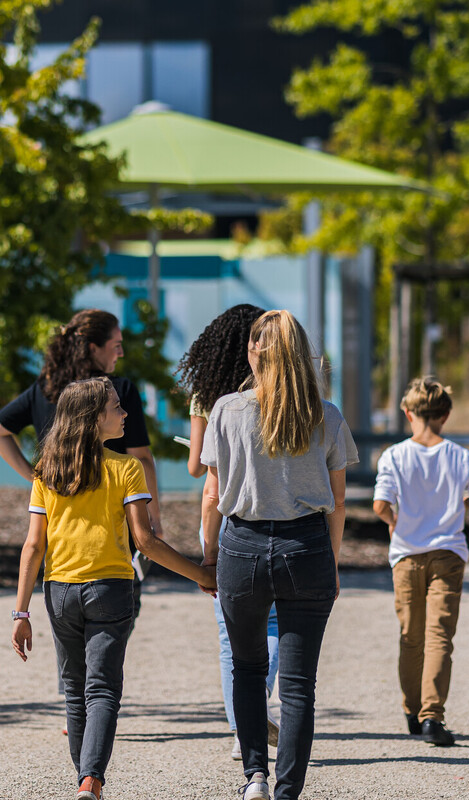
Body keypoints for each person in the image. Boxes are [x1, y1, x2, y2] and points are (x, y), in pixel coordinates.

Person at [11, 378, 217, 800]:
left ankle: (86, 782)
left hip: (59, 592)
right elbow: (146, 542)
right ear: (93, 418)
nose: (124, 414)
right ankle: (91, 779)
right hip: (110, 589)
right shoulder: (126, 468)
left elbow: (33, 545)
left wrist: (21, 613)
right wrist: (200, 574)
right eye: (116, 407)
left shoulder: (47, 470)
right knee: (102, 689)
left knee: (75, 691)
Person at [200, 309, 358, 800]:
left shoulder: (227, 410)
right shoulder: (326, 414)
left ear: (253, 352)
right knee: (298, 684)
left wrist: (209, 556)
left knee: (247, 668)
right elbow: (338, 502)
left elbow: (212, 492)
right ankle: (289, 790)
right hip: (306, 546)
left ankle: (255, 777)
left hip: (242, 546)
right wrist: (331, 563)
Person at [175, 303, 280, 757]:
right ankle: (254, 709)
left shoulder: (207, 393)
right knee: (273, 621)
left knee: (229, 632)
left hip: (223, 518)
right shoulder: (282, 387)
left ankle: (242, 729)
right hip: (274, 512)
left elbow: (198, 469)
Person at [372, 377, 469, 747]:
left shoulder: (394, 455)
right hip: (448, 554)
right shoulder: (460, 456)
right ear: (446, 415)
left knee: (411, 636)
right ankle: (432, 717)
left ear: (407, 413)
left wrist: (394, 521)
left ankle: (412, 711)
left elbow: (380, 504)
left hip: (406, 555)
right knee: (440, 635)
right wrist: (465, 503)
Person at [0, 309, 162, 536]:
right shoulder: (118, 390)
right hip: (113, 521)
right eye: (116, 345)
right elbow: (142, 458)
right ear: (93, 348)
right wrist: (154, 519)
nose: (121, 352)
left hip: (60, 520)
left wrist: (38, 480)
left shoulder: (44, 389)